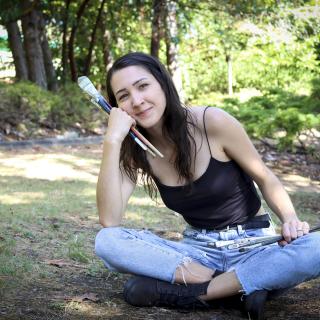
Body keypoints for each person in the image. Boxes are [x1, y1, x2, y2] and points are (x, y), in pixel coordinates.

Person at [94, 52, 320, 320]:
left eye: (143, 86)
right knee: (107, 241)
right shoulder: (135, 148)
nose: (137, 101)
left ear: (162, 83)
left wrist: (291, 219)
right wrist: (113, 140)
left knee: (315, 246)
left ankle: (201, 293)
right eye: (124, 96)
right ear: (116, 107)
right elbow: (110, 220)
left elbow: (265, 178)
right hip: (197, 255)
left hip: (256, 246)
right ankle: (242, 287)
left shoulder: (211, 122)